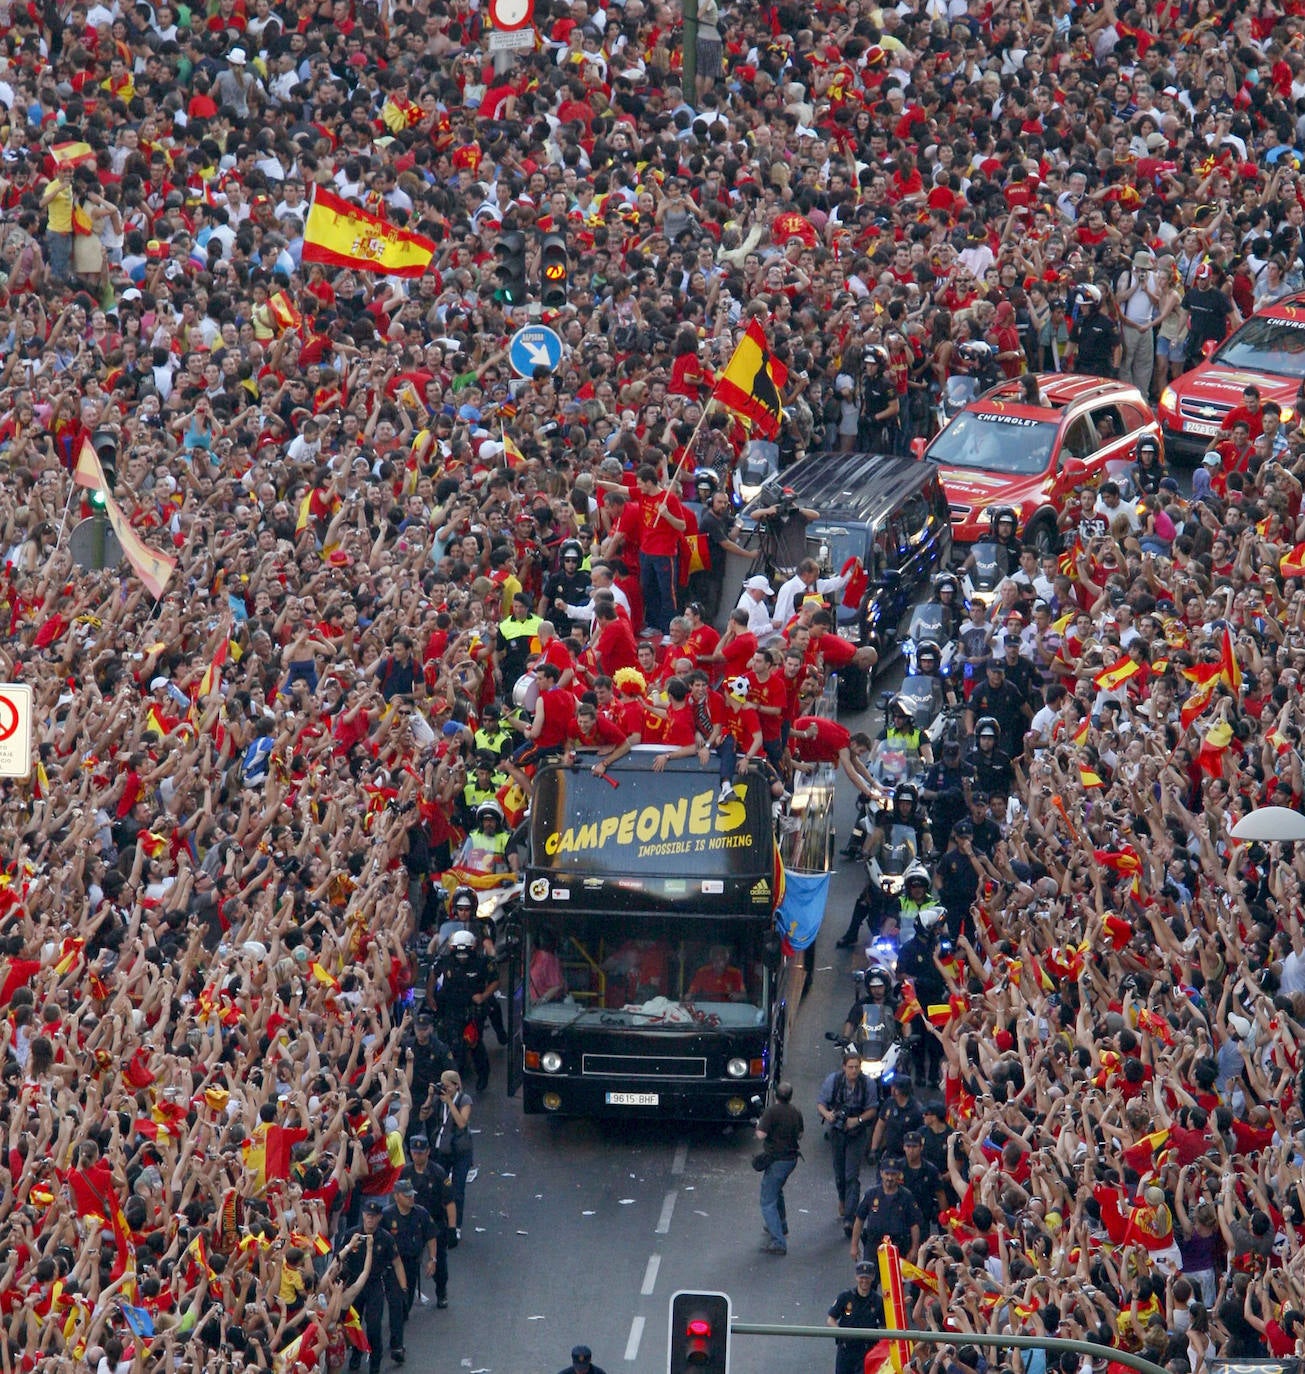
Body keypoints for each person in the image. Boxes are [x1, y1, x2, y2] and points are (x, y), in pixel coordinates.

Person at [817, 1049, 879, 1237]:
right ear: (844, 1067)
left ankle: (849, 1219)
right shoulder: (833, 1081)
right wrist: (828, 1114)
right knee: (839, 1173)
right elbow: (821, 1103)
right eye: (850, 1067)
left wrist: (857, 1120)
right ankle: (842, 1199)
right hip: (837, 1131)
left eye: (857, 1067)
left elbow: (873, 1109)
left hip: (857, 1133)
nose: (854, 1071)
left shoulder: (867, 1084)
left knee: (852, 1175)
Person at [340, 1199, 406, 1374]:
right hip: (354, 1285)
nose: (369, 1220)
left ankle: (375, 1359)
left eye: (373, 1216)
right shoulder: (352, 1235)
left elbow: (397, 1263)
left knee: (374, 1324)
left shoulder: (385, 1238)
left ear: (379, 1218)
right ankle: (356, 1353)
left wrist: (403, 1287)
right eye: (367, 1216)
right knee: (354, 1322)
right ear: (362, 1215)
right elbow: (339, 1259)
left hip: (375, 1284)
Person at [755, 1080, 804, 1254]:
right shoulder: (795, 1112)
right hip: (791, 1159)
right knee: (777, 1191)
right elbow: (800, 1134)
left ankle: (778, 1241)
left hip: (777, 1160)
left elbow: (761, 1134)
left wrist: (759, 1124)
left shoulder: (771, 1112)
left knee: (767, 1201)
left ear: (775, 1095)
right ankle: (781, 1225)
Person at [849, 1156, 923, 1264]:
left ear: (899, 1174)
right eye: (887, 1174)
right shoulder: (871, 1194)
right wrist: (854, 1246)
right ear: (881, 1173)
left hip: (897, 1246)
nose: (889, 1178)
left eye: (893, 1174)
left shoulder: (906, 1196)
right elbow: (859, 1220)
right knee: (871, 1278)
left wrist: (914, 1249)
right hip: (873, 1246)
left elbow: (914, 1225)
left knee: (894, 1279)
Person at [827, 1260, 886, 1374]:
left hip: (867, 1351)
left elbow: (884, 1326)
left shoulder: (878, 1301)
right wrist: (841, 1332)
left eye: (867, 1277)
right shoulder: (845, 1297)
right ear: (856, 1277)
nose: (864, 1280)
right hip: (846, 1350)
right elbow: (831, 1319)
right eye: (861, 1277)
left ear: (873, 1277)